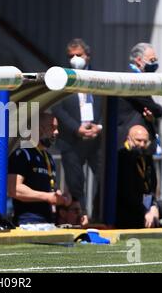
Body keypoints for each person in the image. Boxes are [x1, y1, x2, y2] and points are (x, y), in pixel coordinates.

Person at [51, 38, 103, 224]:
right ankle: (80, 215)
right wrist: (76, 128)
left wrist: (99, 126)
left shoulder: (99, 79)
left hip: (96, 139)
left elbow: (108, 105)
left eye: (78, 55)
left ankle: (100, 214)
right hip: (71, 140)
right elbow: (57, 108)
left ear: (87, 56)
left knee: (105, 177)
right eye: (70, 56)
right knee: (75, 183)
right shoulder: (62, 79)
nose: (74, 59)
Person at [8, 113, 71, 225]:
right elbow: (15, 189)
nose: (56, 132)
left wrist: (62, 197)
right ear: (38, 129)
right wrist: (47, 197)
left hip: (48, 221)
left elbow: (49, 188)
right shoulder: (22, 154)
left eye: (57, 128)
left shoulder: (48, 157)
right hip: (27, 222)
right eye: (52, 127)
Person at [116, 125, 162, 229]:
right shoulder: (122, 156)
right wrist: (145, 210)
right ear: (129, 139)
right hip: (128, 206)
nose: (142, 144)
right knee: (132, 214)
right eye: (138, 140)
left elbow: (151, 187)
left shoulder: (147, 158)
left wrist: (153, 206)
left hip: (145, 202)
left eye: (145, 141)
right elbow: (127, 193)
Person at [118, 43, 162, 155]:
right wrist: (157, 110)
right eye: (152, 60)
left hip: (140, 141)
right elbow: (157, 110)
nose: (155, 64)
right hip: (131, 140)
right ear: (139, 60)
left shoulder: (142, 81)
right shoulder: (133, 81)